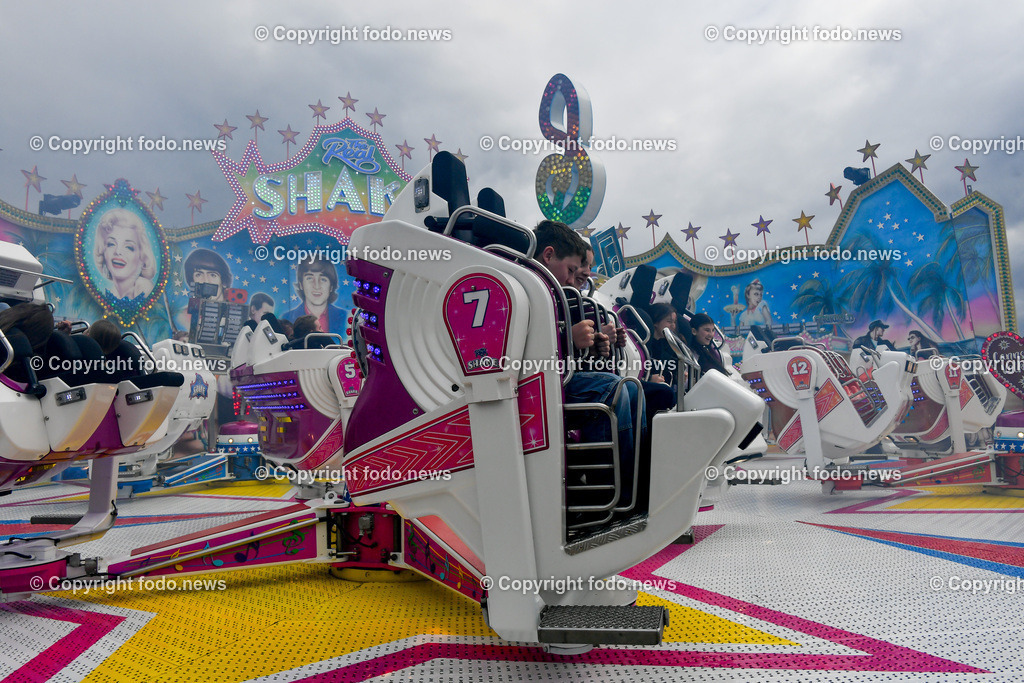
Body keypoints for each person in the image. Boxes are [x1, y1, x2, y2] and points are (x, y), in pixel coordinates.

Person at [533, 220, 644, 476]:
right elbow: (525, 349)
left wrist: (590, 348)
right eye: (572, 269)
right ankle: (609, 487)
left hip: (553, 378)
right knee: (613, 388)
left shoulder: (550, 291)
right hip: (536, 383)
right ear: (548, 255)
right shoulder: (529, 287)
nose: (574, 278)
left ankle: (634, 482)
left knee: (631, 388)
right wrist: (569, 339)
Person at [92, 208, 156, 300]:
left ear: (142, 256)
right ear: (103, 251)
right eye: (111, 244)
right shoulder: (111, 293)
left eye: (129, 247)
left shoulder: (144, 288)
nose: (118, 252)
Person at [282, 257, 347, 337]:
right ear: (301, 284)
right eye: (309, 278)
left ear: (331, 286)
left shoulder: (345, 317)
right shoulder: (287, 317)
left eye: (323, 279)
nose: (316, 286)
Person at [644, 303, 680, 385]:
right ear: (656, 322)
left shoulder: (664, 345)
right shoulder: (645, 343)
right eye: (669, 321)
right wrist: (649, 378)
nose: (673, 326)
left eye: (674, 322)